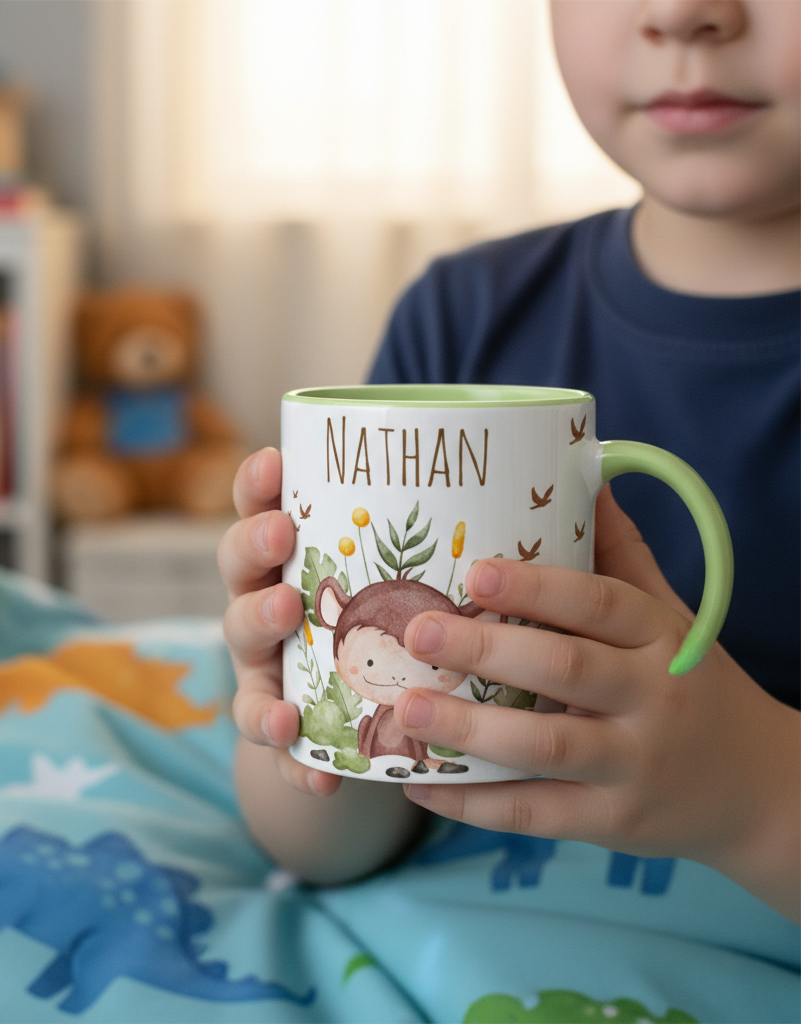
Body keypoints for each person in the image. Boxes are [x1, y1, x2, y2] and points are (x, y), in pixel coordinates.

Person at [218, 0, 800, 922]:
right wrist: (296, 697)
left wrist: (754, 796)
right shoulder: (462, 317)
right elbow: (323, 849)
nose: (684, 12)